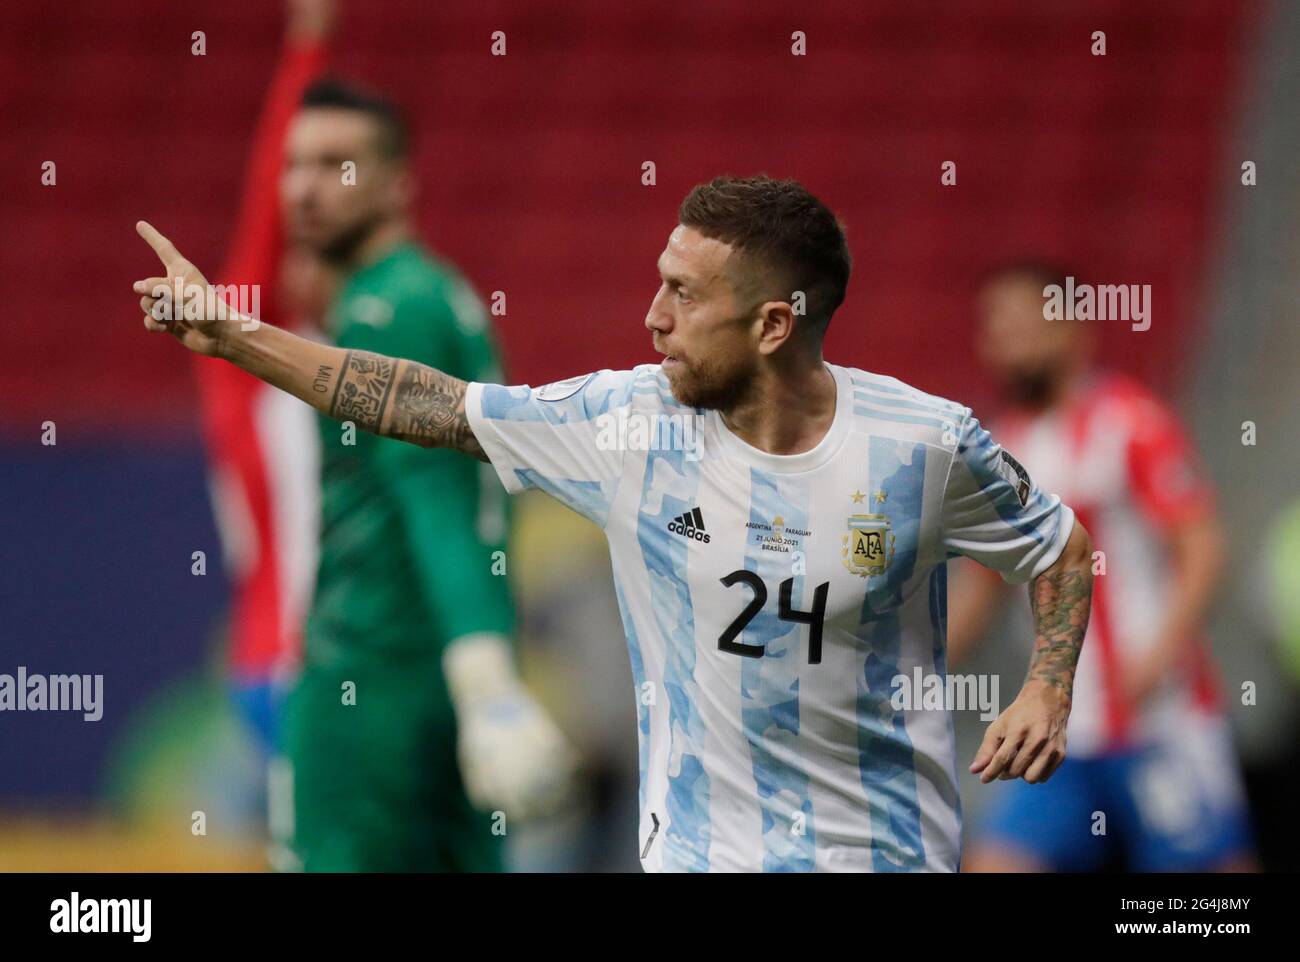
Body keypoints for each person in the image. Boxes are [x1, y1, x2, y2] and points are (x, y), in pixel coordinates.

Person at [132, 175, 1093, 872]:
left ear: (770, 326)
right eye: (658, 280)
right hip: (698, 856)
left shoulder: (925, 447)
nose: (652, 317)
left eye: (685, 294)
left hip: (885, 853)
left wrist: (1048, 687)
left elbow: (1060, 550)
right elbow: (425, 404)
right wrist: (234, 336)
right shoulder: (627, 424)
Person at [197, 57, 574, 870]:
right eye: (293, 164)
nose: (302, 187)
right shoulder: (435, 295)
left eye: (335, 165)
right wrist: (484, 676)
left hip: (367, 682)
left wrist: (486, 684)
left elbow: (433, 504)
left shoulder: (384, 310)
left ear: (399, 184)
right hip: (435, 679)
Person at [948, 261, 1256, 872]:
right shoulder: (1003, 448)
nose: (1000, 340)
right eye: (993, 326)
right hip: (1058, 726)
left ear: (1069, 327)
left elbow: (1202, 549)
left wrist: (1159, 654)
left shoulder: (1131, 422)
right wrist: (907, 672)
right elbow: (980, 589)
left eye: (1017, 321)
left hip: (1157, 716)